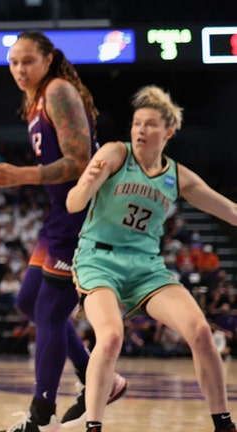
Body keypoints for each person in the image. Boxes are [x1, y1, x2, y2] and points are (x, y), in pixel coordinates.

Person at [0, 31, 127, 431]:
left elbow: (80, 161)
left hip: (82, 213)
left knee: (48, 311)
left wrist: (20, 175)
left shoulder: (58, 91)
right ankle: (98, 376)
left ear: (47, 59)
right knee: (29, 301)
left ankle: (41, 415)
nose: (19, 69)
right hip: (60, 213)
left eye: (27, 61)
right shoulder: (37, 98)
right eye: (13, 62)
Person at [66, 84, 237, 432]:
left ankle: (224, 423)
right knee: (111, 336)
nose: (141, 130)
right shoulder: (116, 153)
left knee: (201, 331)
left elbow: (229, 209)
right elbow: (73, 203)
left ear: (168, 131)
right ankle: (93, 426)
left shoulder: (177, 176)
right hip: (99, 260)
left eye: (150, 124)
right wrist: (87, 185)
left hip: (146, 268)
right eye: (137, 123)